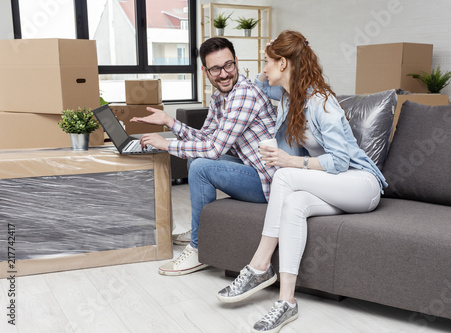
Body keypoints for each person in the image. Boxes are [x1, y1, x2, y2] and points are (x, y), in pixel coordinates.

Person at [216, 30, 388, 333]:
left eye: (268, 62)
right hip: (334, 187)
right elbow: (260, 86)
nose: (264, 68)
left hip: (360, 184)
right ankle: (287, 302)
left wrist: (291, 162)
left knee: (284, 176)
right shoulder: (289, 97)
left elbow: (340, 162)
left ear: (283, 64)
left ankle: (258, 266)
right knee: (294, 203)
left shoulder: (322, 104)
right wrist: (271, 58)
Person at [131, 37, 280, 276]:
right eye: (215, 69)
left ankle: (201, 248)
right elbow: (205, 139)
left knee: (201, 165)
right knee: (195, 158)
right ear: (205, 70)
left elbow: (213, 150)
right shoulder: (220, 96)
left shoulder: (244, 94)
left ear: (237, 62)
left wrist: (167, 144)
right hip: (251, 168)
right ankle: (203, 229)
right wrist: (170, 122)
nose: (223, 74)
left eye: (228, 65)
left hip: (268, 181)